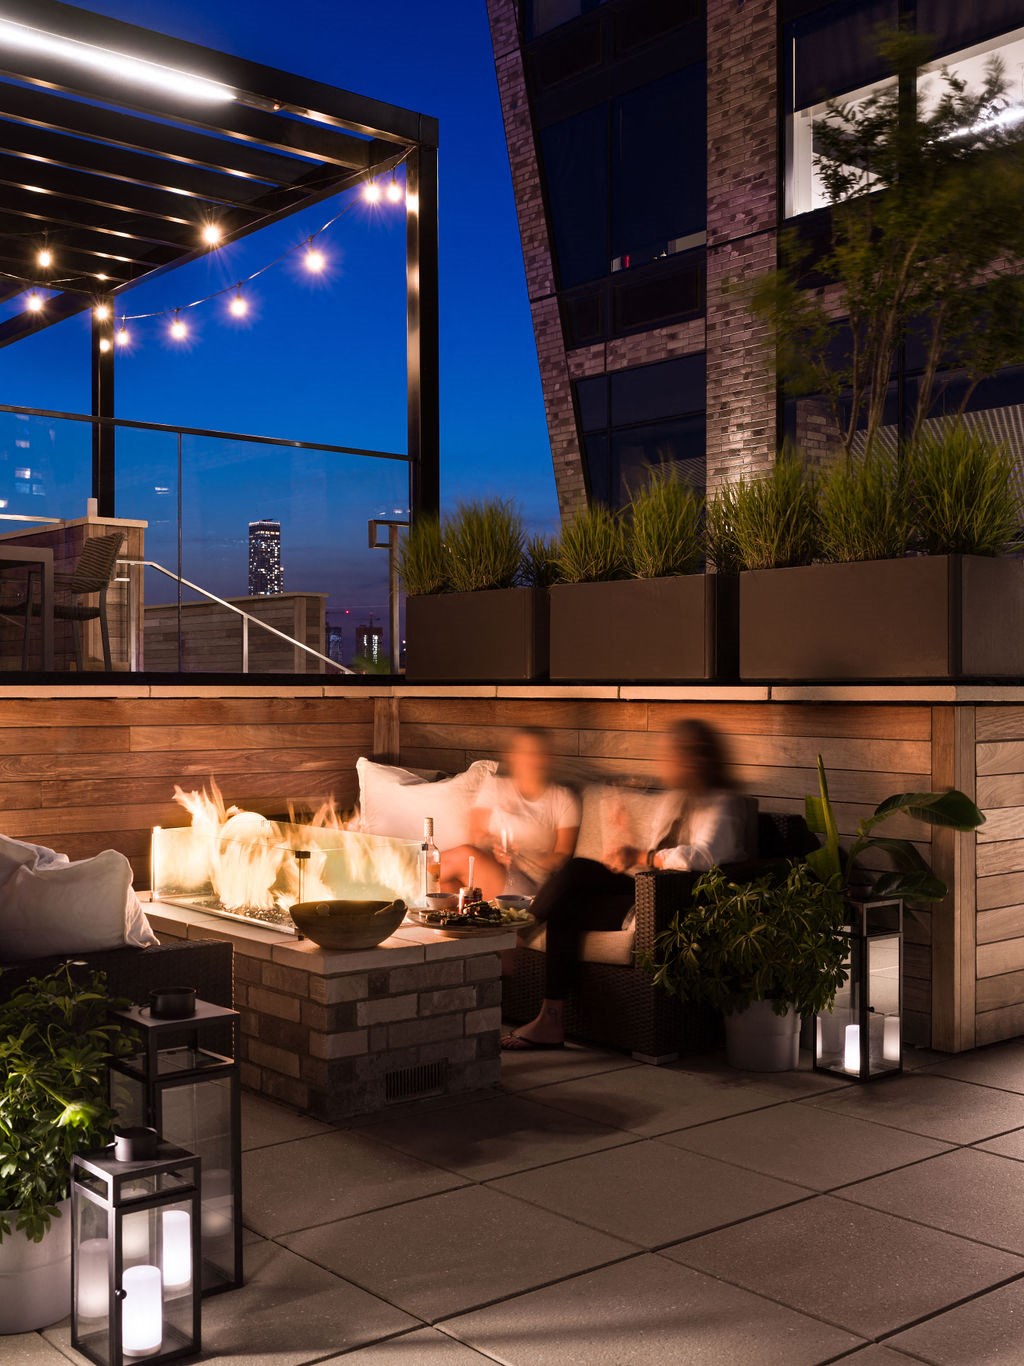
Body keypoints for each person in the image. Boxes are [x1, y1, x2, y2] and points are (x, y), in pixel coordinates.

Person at [502, 718, 749, 1050]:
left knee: (575, 872)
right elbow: (645, 855)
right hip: (646, 889)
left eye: (671, 755)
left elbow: (701, 858)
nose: (665, 763)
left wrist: (643, 856)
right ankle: (551, 1020)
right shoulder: (676, 799)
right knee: (569, 900)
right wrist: (624, 835)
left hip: (677, 902)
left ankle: (518, 928)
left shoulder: (723, 803)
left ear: (696, 757)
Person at [440, 728, 581, 901]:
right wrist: (496, 846)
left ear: (548, 758)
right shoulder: (496, 787)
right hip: (487, 868)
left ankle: (405, 879)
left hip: (525, 883)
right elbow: (477, 833)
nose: (531, 759)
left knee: (464, 855)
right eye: (525, 752)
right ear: (513, 756)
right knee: (445, 886)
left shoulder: (563, 799)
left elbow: (563, 854)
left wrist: (527, 863)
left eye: (537, 753)